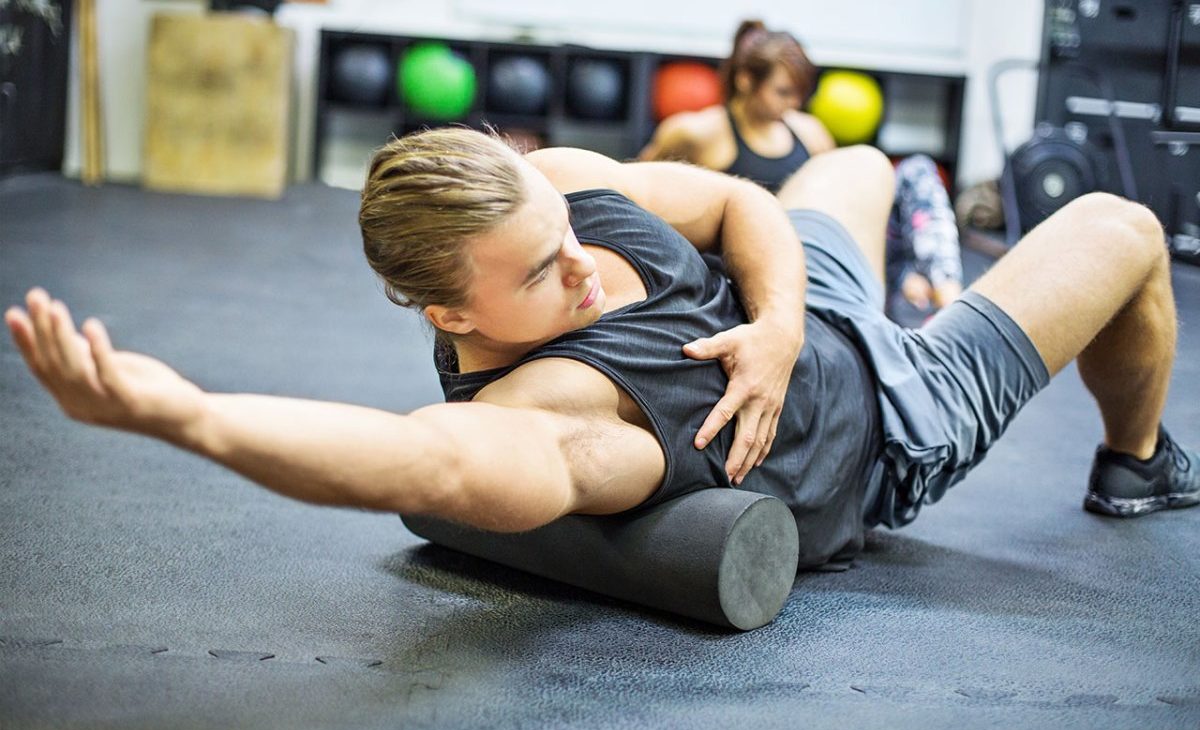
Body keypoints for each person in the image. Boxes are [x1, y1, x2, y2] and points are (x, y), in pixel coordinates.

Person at [5, 127, 1198, 574]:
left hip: (804, 315)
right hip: (890, 415)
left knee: (857, 165)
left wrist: (777, 322)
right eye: (539, 274)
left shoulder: (565, 188)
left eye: (562, 233)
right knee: (1124, 230)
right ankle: (1135, 460)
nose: (579, 263)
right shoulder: (560, 411)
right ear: (452, 316)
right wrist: (185, 416)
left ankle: (832, 295)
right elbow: (418, 465)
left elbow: (737, 205)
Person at [639, 20, 964, 318]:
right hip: (750, 269)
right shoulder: (700, 133)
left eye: (799, 93)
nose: (793, 102)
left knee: (918, 171)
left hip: (816, 259)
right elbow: (642, 190)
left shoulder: (809, 132)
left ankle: (938, 292)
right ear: (745, 80)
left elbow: (847, 206)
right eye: (783, 92)